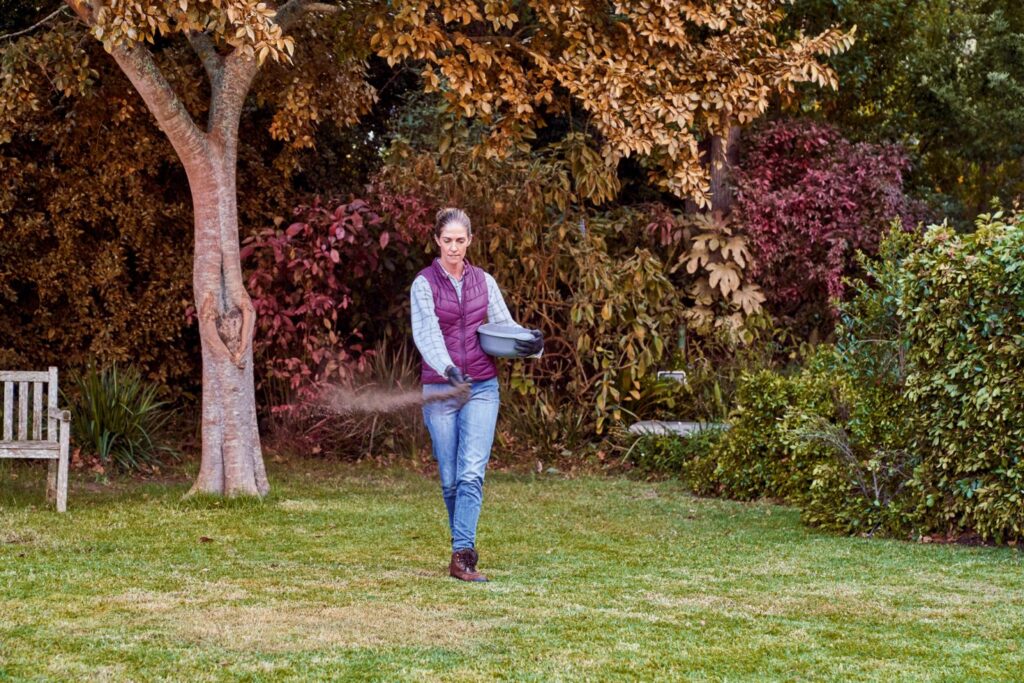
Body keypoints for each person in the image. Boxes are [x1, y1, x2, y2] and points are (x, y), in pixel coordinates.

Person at [411, 207, 543, 582]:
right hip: (441, 388)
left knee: (471, 473)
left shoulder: (483, 281)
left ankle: (463, 555)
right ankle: (461, 548)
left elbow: (504, 326)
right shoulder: (424, 284)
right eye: (447, 240)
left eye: (460, 240)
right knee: (450, 478)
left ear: (470, 240)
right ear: (437, 241)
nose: (454, 248)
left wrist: (531, 343)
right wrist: (448, 368)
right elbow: (427, 334)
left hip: (482, 386)